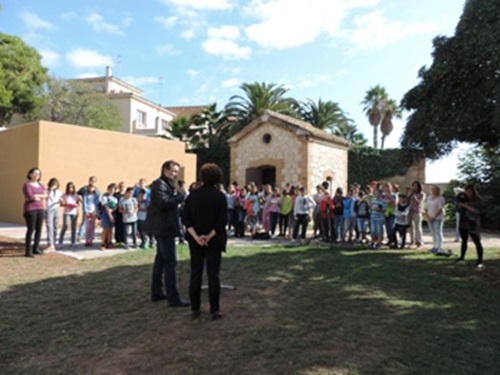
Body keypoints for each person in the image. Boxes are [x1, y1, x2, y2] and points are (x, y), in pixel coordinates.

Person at [182, 163, 228, 320]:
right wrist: (208, 237)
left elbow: (186, 220)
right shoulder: (220, 197)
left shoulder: (192, 196)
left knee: (196, 273)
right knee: (213, 275)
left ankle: (195, 308)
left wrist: (197, 237)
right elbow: (222, 221)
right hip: (214, 240)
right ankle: (214, 310)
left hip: (195, 241)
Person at [146, 160, 190, 307]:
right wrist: (180, 196)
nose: (175, 174)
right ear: (165, 170)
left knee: (160, 260)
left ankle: (157, 292)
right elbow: (164, 203)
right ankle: (173, 298)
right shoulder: (159, 184)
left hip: (165, 227)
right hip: (163, 228)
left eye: (177, 171)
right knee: (170, 262)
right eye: (173, 171)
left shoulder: (167, 184)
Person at [455, 184, 484, 268]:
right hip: (463, 221)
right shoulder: (463, 198)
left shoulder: (477, 200)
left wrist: (466, 206)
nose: (468, 193)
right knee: (464, 240)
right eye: (466, 191)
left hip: (473, 222)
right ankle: (462, 257)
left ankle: (480, 260)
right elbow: (456, 200)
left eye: (470, 191)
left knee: (477, 241)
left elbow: (478, 211)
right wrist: (461, 196)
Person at [22, 168, 47, 257]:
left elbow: (46, 195)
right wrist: (37, 196)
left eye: (39, 174)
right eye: (35, 173)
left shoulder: (41, 185)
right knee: (31, 229)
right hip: (30, 210)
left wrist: (37, 196)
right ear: (30, 174)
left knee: (39, 229)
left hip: (40, 209)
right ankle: (28, 251)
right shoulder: (27, 185)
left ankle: (36, 248)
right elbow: (31, 197)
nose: (37, 175)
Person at [77, 176, 99, 242]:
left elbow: (97, 200)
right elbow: (77, 194)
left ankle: (91, 236)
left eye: (94, 181)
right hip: (86, 208)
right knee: (84, 222)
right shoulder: (84, 189)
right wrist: (81, 200)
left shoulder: (97, 190)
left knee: (92, 223)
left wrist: (96, 210)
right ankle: (80, 235)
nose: (92, 182)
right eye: (91, 180)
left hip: (93, 210)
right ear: (89, 180)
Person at [425, 185, 446, 254]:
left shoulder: (440, 198)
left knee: (438, 232)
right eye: (432, 189)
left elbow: (440, 209)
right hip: (429, 217)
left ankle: (439, 247)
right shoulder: (429, 198)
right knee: (433, 232)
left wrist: (434, 216)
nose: (433, 191)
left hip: (437, 218)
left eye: (435, 189)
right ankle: (434, 246)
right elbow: (426, 208)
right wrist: (428, 216)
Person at [59, 182, 80, 249]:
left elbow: (78, 203)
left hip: (74, 213)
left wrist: (77, 205)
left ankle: (73, 242)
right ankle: (60, 242)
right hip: (67, 212)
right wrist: (66, 204)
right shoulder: (64, 195)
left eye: (72, 187)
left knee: (73, 227)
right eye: (69, 187)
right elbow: (61, 204)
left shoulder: (76, 195)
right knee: (66, 225)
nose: (71, 189)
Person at [45, 177, 63, 253]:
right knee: (49, 226)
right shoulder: (47, 191)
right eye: (53, 184)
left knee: (55, 226)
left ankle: (54, 242)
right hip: (49, 209)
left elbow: (61, 201)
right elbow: (46, 197)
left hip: (56, 209)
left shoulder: (59, 192)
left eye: (56, 184)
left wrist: (61, 201)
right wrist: (50, 190)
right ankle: (49, 244)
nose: (54, 186)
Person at [99, 183, 118, 250]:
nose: (112, 191)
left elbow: (116, 206)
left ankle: (109, 242)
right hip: (106, 214)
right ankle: (102, 243)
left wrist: (112, 211)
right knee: (105, 229)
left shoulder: (115, 198)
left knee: (110, 229)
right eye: (110, 189)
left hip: (113, 214)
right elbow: (105, 206)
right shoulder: (105, 197)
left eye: (113, 190)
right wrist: (110, 214)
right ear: (108, 189)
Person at [407, 180, 425, 248]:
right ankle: (412, 241)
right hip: (410, 211)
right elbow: (407, 200)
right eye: (413, 186)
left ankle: (419, 241)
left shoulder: (422, 194)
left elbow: (419, 202)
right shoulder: (411, 194)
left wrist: (414, 195)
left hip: (417, 211)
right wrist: (409, 193)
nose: (414, 187)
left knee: (418, 227)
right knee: (411, 227)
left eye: (416, 186)